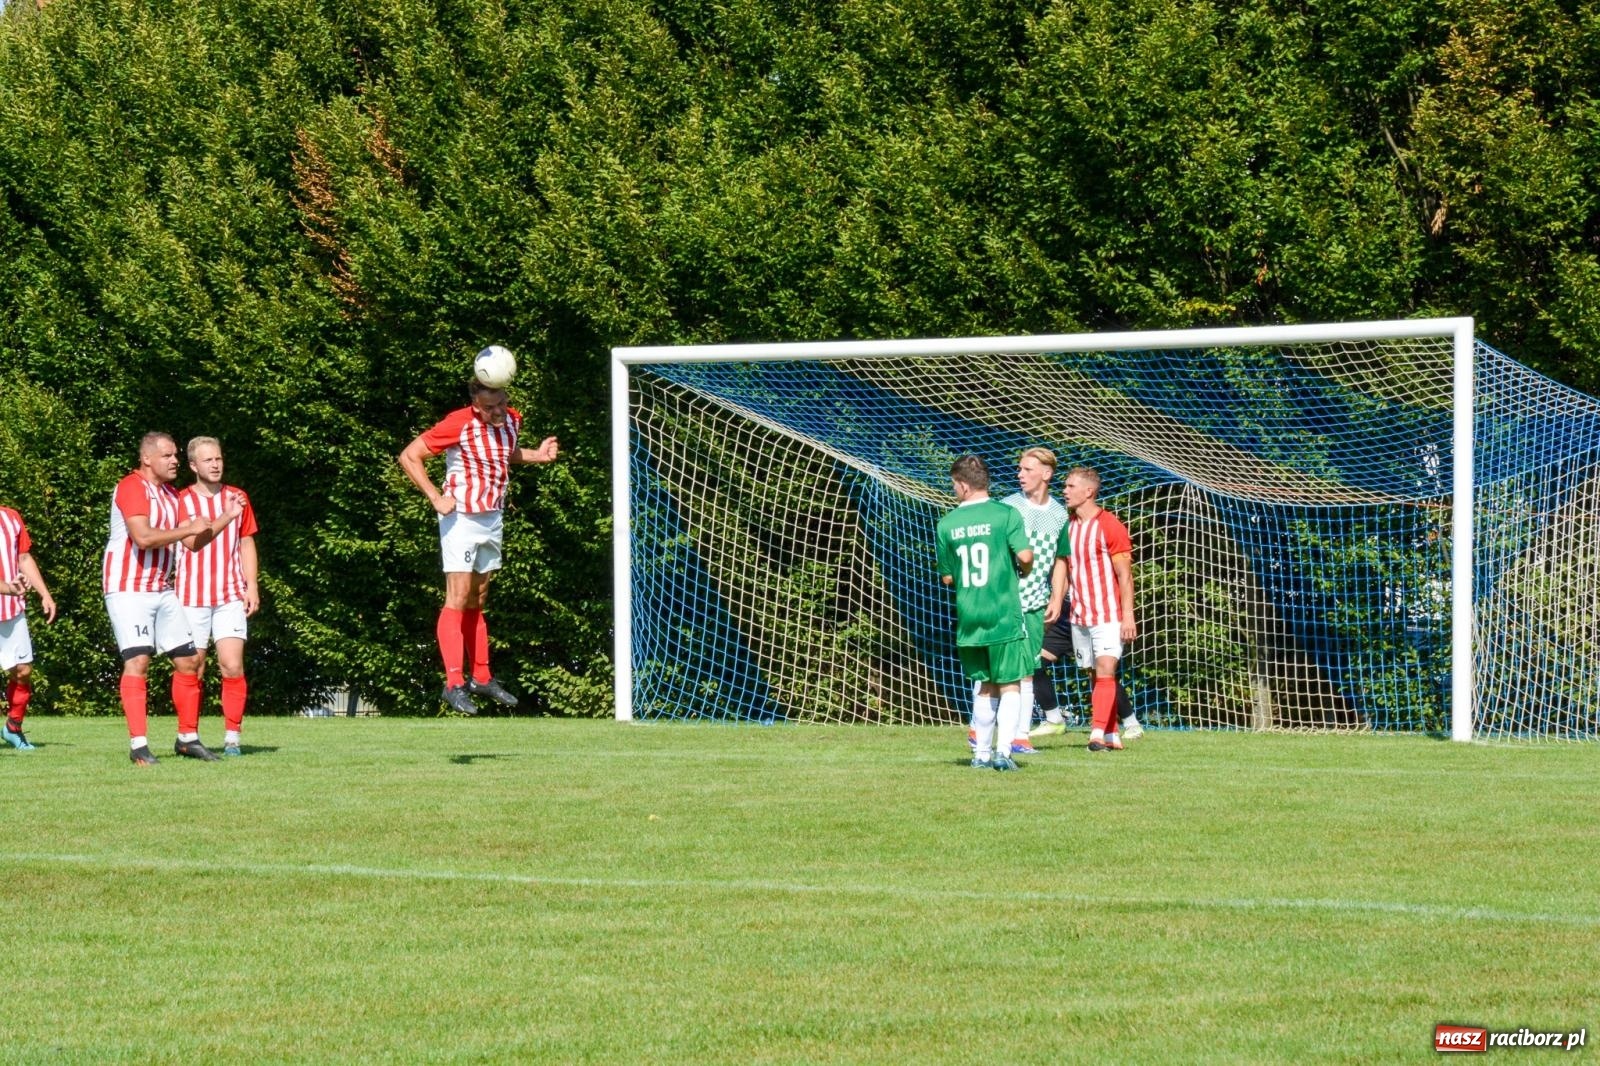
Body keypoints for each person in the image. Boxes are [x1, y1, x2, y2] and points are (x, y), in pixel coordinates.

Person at [398, 376, 559, 713]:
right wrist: (435, 497)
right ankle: (454, 682)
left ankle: (482, 677)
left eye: (501, 402)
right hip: (461, 518)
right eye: (489, 407)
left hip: (492, 517)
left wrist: (538, 456)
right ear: (476, 406)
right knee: (456, 596)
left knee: (478, 597)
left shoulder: (512, 419)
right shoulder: (458, 422)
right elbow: (410, 456)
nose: (498, 410)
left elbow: (504, 453)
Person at [103, 431, 241, 765]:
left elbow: (192, 543)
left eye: (176, 455)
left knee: (189, 661)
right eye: (167, 455)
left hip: (161, 588)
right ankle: (138, 746)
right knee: (138, 662)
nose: (175, 460)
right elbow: (144, 537)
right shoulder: (131, 487)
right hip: (128, 588)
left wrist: (224, 518)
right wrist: (189, 527)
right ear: (146, 458)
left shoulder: (168, 494)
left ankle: (187, 739)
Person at [936, 454, 1034, 771]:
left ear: (963, 486)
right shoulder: (1006, 514)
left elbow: (948, 576)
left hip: (970, 617)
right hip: (1003, 613)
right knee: (1010, 685)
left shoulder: (947, 523)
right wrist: (1018, 567)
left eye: (954, 484)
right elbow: (1026, 555)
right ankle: (1003, 753)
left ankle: (980, 755)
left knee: (984, 686)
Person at [1044, 466, 1143, 751]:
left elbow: (1125, 575)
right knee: (1093, 674)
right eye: (1065, 486)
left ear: (1089, 491)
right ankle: (1111, 733)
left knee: (1105, 669)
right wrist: (1055, 600)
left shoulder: (1109, 524)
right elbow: (1062, 564)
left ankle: (1096, 733)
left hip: (1108, 614)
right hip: (1079, 615)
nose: (1065, 490)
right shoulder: (1069, 526)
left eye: (1071, 486)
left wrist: (1128, 616)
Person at [175, 437, 259, 757]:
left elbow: (246, 542)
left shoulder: (238, 497)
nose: (215, 464)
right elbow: (193, 542)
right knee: (193, 667)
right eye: (208, 460)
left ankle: (232, 738)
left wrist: (251, 585)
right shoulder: (181, 501)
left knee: (232, 665)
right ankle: (188, 736)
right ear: (193, 466)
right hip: (191, 595)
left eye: (219, 458)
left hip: (229, 594)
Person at [0, 504, 57, 751]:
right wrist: (9, 588)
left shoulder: (11, 516)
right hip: (9, 593)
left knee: (23, 671)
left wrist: (45, 593)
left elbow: (23, 557)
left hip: (11, 610)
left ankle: (13, 727)